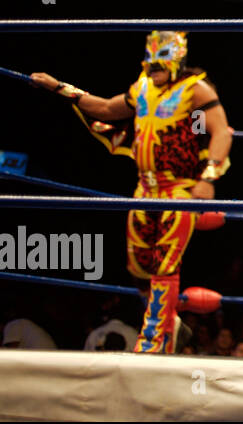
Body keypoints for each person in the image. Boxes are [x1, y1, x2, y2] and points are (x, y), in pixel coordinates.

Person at [30, 31, 232, 354]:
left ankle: (153, 342)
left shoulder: (195, 89)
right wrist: (57, 86)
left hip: (178, 190)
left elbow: (220, 130)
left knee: (166, 266)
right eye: (149, 62)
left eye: (159, 62)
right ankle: (171, 322)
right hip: (143, 191)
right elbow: (107, 109)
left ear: (176, 59)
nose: (153, 68)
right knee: (139, 267)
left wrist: (208, 177)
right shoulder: (142, 88)